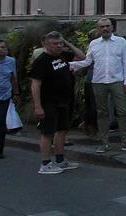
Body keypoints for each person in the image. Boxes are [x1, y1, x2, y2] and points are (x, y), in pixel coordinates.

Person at [69, 18, 126, 153]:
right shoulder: (94, 44)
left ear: (112, 27)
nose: (105, 29)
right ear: (98, 28)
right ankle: (105, 142)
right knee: (102, 113)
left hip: (117, 80)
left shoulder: (120, 42)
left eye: (107, 26)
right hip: (99, 81)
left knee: (122, 111)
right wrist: (69, 65)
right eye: (102, 27)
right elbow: (88, 61)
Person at [30, 31, 86, 174]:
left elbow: (82, 57)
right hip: (48, 101)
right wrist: (38, 106)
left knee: (62, 130)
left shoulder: (63, 56)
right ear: (46, 44)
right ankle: (45, 163)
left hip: (63, 100)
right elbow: (35, 84)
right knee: (48, 132)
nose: (58, 46)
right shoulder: (42, 61)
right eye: (55, 44)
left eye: (60, 43)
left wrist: (67, 44)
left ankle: (60, 160)